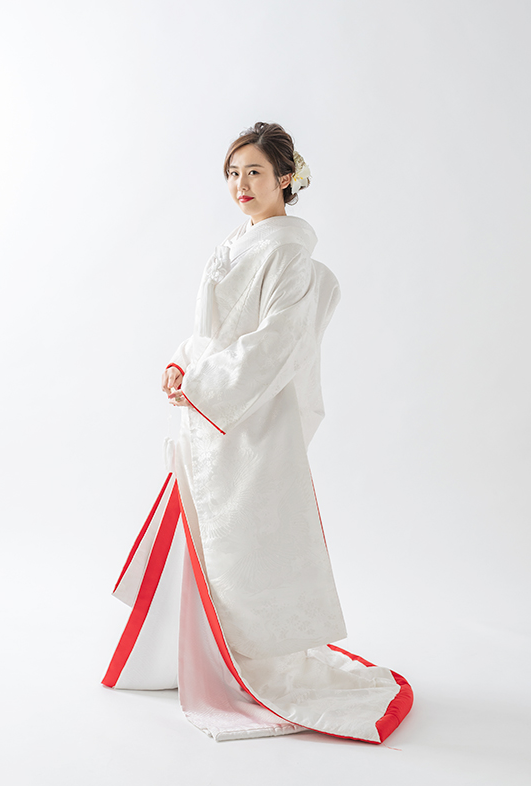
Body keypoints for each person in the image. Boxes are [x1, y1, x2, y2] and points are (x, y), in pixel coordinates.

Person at [102, 122, 413, 742]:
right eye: (233, 173)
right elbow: (212, 332)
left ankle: (250, 660)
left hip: (253, 415)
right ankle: (198, 654)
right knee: (207, 528)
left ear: (285, 178)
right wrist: (182, 363)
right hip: (212, 409)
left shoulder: (288, 251)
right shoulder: (236, 243)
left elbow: (278, 341)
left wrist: (204, 383)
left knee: (248, 536)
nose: (241, 184)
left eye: (255, 172)